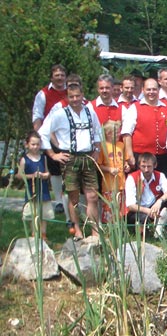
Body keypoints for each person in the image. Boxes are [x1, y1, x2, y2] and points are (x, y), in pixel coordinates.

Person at [39, 84, 102, 239]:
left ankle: (95, 231)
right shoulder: (60, 114)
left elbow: (98, 132)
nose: (75, 99)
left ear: (82, 95)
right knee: (73, 197)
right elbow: (43, 132)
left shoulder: (90, 112)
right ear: (67, 97)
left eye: (77, 96)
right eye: (71, 96)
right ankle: (77, 230)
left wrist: (97, 150)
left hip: (87, 157)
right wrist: (53, 154)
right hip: (70, 158)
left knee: (93, 196)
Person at [32, 64, 68, 221]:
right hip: (51, 135)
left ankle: (68, 199)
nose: (59, 78)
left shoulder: (71, 91)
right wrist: (39, 137)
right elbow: (37, 115)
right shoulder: (43, 94)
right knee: (55, 170)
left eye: (62, 75)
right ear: (51, 77)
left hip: (67, 135)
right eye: (57, 75)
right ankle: (59, 201)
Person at [122, 78, 167, 180]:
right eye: (148, 89)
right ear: (143, 90)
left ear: (159, 90)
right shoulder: (134, 108)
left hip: (164, 157)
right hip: (141, 158)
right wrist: (130, 156)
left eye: (154, 89)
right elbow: (126, 134)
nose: (151, 92)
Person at [124, 153, 167, 238]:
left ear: (155, 165)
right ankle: (142, 233)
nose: (146, 170)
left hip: (153, 207)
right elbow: (131, 206)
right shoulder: (132, 178)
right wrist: (147, 211)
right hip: (137, 211)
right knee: (143, 218)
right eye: (143, 166)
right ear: (139, 165)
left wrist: (160, 201)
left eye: (149, 166)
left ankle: (158, 229)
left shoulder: (160, 175)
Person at [18, 131, 53, 241]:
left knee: (44, 213)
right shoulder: (24, 159)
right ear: (27, 144)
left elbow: (48, 173)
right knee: (33, 214)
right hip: (32, 191)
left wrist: (44, 175)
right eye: (33, 144)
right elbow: (19, 175)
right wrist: (32, 176)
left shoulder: (44, 158)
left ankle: (43, 234)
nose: (35, 147)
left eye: (37, 144)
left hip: (44, 191)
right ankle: (34, 234)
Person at [97, 121, 130, 224]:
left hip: (121, 182)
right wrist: (109, 169)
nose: (119, 134)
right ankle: (109, 228)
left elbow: (125, 160)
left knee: (121, 207)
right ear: (108, 133)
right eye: (116, 132)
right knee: (109, 208)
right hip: (109, 184)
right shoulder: (103, 146)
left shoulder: (121, 145)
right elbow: (98, 164)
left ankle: (120, 226)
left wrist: (126, 165)